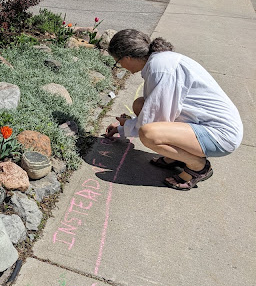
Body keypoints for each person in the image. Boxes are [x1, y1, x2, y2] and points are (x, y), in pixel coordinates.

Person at [104, 29, 243, 190]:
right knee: (140, 105)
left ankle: (198, 166)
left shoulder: (159, 68)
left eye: (118, 61)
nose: (120, 66)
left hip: (221, 136)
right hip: (206, 124)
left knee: (148, 134)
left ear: (127, 56)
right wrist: (124, 126)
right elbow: (155, 111)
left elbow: (153, 121)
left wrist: (125, 126)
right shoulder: (159, 61)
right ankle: (177, 157)